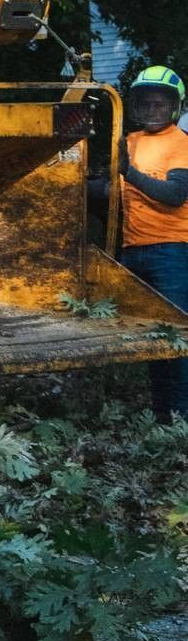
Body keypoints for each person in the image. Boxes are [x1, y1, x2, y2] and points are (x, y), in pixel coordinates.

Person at [118, 64, 188, 424]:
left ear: (174, 107)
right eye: (145, 104)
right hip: (132, 252)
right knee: (147, 338)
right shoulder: (129, 141)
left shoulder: (181, 144)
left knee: (174, 337)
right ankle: (162, 416)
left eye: (159, 104)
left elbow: (175, 194)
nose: (151, 110)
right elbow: (114, 191)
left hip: (171, 252)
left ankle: (180, 419)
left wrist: (129, 172)